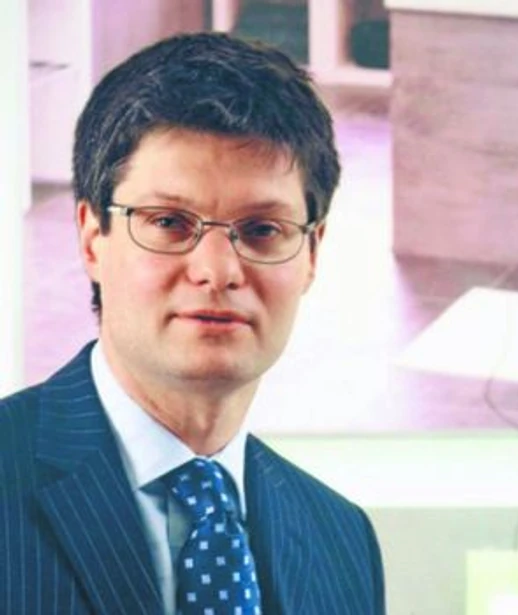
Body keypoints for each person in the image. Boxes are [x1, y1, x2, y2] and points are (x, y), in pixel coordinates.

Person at [0, 32, 385, 615]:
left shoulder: (342, 540)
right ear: (92, 238)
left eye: (262, 230)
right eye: (169, 223)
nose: (217, 271)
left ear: (312, 253)